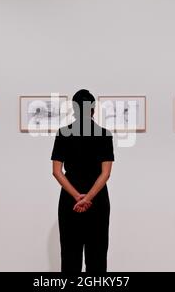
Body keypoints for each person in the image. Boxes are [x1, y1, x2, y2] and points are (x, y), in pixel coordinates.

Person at [51, 89, 115, 272]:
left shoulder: (63, 133)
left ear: (74, 108)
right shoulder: (104, 134)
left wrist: (78, 197)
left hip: (70, 201)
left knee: (70, 257)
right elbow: (106, 173)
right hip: (98, 201)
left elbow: (57, 171)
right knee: (97, 257)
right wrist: (88, 199)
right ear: (93, 109)